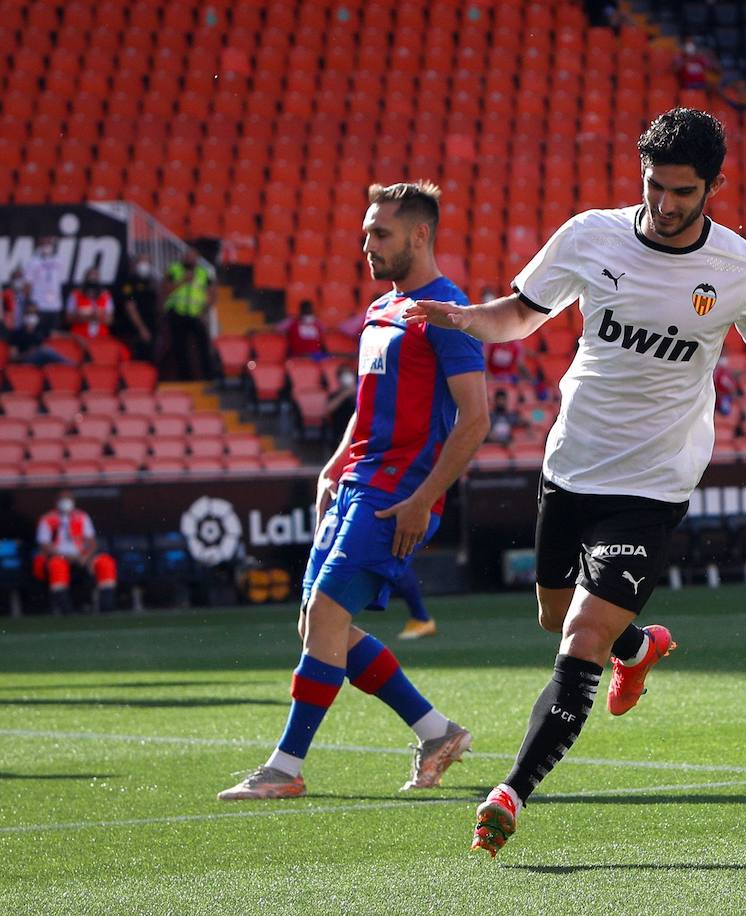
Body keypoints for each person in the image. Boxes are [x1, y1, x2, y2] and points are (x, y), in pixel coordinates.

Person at [404, 108, 746, 856]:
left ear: (715, 187)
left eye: (683, 191)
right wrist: (462, 318)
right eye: (655, 186)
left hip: (655, 482)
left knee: (577, 637)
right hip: (572, 463)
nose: (666, 204)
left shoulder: (741, 268)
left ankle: (510, 793)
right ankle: (636, 649)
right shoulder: (589, 236)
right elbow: (520, 315)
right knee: (554, 616)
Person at [217, 181, 491, 801]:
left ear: (420, 235)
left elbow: (476, 418)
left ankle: (284, 769)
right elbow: (368, 409)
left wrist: (424, 500)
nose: (366, 243)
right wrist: (333, 466)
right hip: (355, 486)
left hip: (397, 494)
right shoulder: (381, 309)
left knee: (325, 617)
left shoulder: (445, 312)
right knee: (320, 627)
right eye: (367, 231)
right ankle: (436, 732)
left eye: (381, 233)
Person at [33, 490, 117, 614]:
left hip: (81, 556)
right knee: (57, 566)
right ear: (56, 502)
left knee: (106, 562)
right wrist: (66, 556)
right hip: (59, 557)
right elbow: (44, 544)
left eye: (68, 499)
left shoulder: (82, 516)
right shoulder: (47, 519)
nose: (66, 502)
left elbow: (91, 541)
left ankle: (106, 606)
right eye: (63, 499)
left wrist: (87, 557)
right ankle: (66, 609)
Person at [161, 247, 215, 380]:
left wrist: (205, 309)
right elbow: (165, 289)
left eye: (193, 256)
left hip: (196, 314)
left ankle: (209, 377)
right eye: (188, 255)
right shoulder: (174, 270)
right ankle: (185, 379)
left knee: (203, 346)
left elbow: (211, 293)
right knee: (179, 348)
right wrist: (182, 281)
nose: (191, 258)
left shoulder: (203, 272)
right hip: (177, 313)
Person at [116, 254, 160, 362]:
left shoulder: (151, 282)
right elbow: (130, 307)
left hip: (151, 325)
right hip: (135, 329)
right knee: (137, 358)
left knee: (151, 358)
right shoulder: (129, 282)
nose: (144, 265)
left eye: (147, 262)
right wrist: (141, 328)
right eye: (142, 261)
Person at [22, 235, 65, 336]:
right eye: (44, 242)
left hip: (55, 305)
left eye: (49, 242)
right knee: (38, 334)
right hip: (39, 305)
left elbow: (60, 281)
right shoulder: (33, 262)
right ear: (39, 244)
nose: (47, 245)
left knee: (54, 334)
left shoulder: (59, 260)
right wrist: (30, 304)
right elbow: (27, 284)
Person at [65, 267, 115, 340]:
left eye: (96, 277)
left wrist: (97, 317)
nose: (93, 279)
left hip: (101, 338)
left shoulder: (106, 296)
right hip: (80, 338)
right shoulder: (75, 295)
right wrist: (86, 317)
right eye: (90, 277)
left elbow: (110, 320)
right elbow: (68, 319)